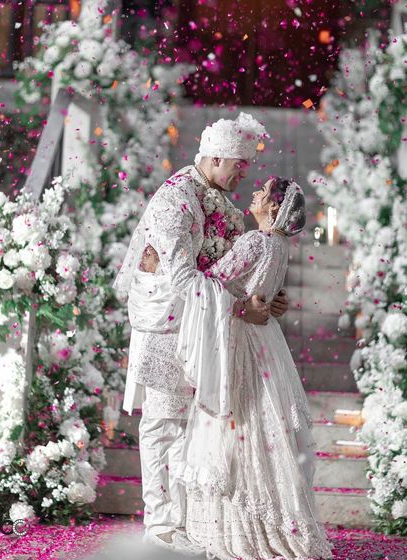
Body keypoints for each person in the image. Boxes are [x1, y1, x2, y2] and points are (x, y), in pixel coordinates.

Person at [112, 113, 289, 555]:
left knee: (190, 425)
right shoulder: (176, 199)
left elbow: (223, 268)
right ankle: (160, 524)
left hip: (201, 324)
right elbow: (182, 279)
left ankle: (184, 520)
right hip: (167, 323)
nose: (244, 175)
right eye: (238, 165)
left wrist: (260, 296)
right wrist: (242, 308)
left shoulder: (217, 199)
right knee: (163, 422)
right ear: (214, 158)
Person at [175, 177, 334, 559]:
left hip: (241, 335)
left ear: (274, 207)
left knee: (239, 421)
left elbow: (210, 281)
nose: (255, 195)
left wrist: (193, 260)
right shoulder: (280, 246)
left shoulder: (255, 241)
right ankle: (276, 519)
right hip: (265, 339)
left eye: (263, 193)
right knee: (261, 423)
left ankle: (239, 526)